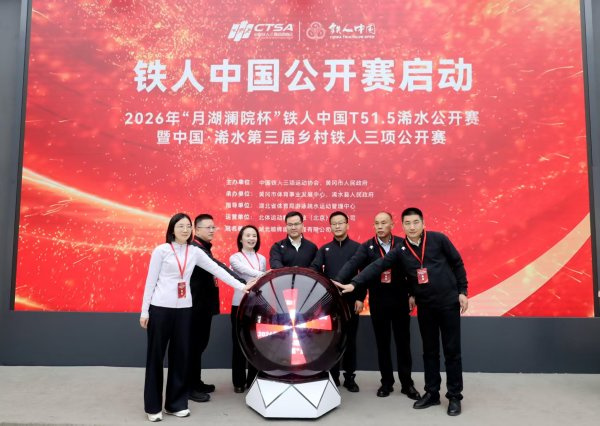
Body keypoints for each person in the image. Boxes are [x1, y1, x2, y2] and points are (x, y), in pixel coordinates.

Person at [335, 207, 468, 416]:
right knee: (430, 352)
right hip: (425, 307)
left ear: (423, 223)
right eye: (408, 223)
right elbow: (377, 266)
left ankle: (454, 396)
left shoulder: (438, 239)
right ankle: (432, 393)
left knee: (452, 351)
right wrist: (354, 284)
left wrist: (462, 291)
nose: (412, 227)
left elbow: (457, 263)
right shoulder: (401, 249)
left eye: (416, 222)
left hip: (448, 303)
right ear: (403, 226)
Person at [140, 213, 253, 422]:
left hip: (185, 310)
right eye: (180, 226)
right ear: (172, 229)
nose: (184, 230)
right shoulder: (161, 250)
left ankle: (175, 404)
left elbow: (218, 270)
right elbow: (150, 281)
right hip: (160, 308)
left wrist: (242, 286)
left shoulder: (194, 252)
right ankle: (153, 406)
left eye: (187, 226)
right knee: (156, 358)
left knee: (180, 357)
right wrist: (145, 311)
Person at [335, 212, 420, 400]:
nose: (380, 226)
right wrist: (338, 281)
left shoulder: (402, 244)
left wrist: (413, 294)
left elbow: (412, 270)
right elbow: (354, 264)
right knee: (383, 344)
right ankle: (386, 383)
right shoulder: (368, 247)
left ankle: (407, 384)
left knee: (403, 344)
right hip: (378, 301)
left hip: (400, 300)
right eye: (377, 223)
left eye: (383, 223)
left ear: (392, 225)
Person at [187, 214, 245, 403]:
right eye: (208, 227)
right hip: (195, 308)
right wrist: (242, 282)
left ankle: (196, 382)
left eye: (213, 227)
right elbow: (218, 268)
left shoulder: (203, 248)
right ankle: (189, 387)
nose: (212, 230)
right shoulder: (196, 249)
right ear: (197, 229)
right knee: (193, 347)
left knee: (199, 346)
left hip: (203, 308)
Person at [310, 211, 365, 391]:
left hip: (351, 301)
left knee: (350, 340)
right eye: (334, 223)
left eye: (341, 223)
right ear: (330, 227)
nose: (337, 226)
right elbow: (315, 269)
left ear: (347, 225)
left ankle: (350, 377)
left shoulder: (358, 248)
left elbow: (363, 275)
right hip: (330, 303)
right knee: (331, 340)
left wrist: (360, 297)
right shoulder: (324, 249)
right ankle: (332, 376)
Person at [229, 225, 267, 393]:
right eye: (248, 235)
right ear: (240, 239)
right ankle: (238, 382)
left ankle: (253, 379)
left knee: (255, 343)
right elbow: (244, 271)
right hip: (239, 304)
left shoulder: (262, 258)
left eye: (254, 236)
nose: (252, 238)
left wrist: (262, 275)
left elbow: (262, 283)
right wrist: (262, 274)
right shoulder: (235, 257)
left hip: (257, 305)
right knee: (238, 343)